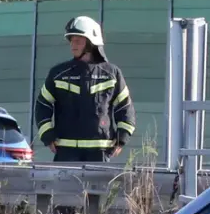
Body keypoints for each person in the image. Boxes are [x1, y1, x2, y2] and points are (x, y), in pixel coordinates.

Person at [34, 16, 136, 162]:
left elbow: (125, 107)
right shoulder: (59, 73)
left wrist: (122, 138)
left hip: (100, 152)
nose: (72, 45)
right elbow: (43, 104)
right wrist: (47, 135)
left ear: (91, 43)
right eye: (71, 40)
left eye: (78, 41)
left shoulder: (111, 74)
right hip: (66, 152)